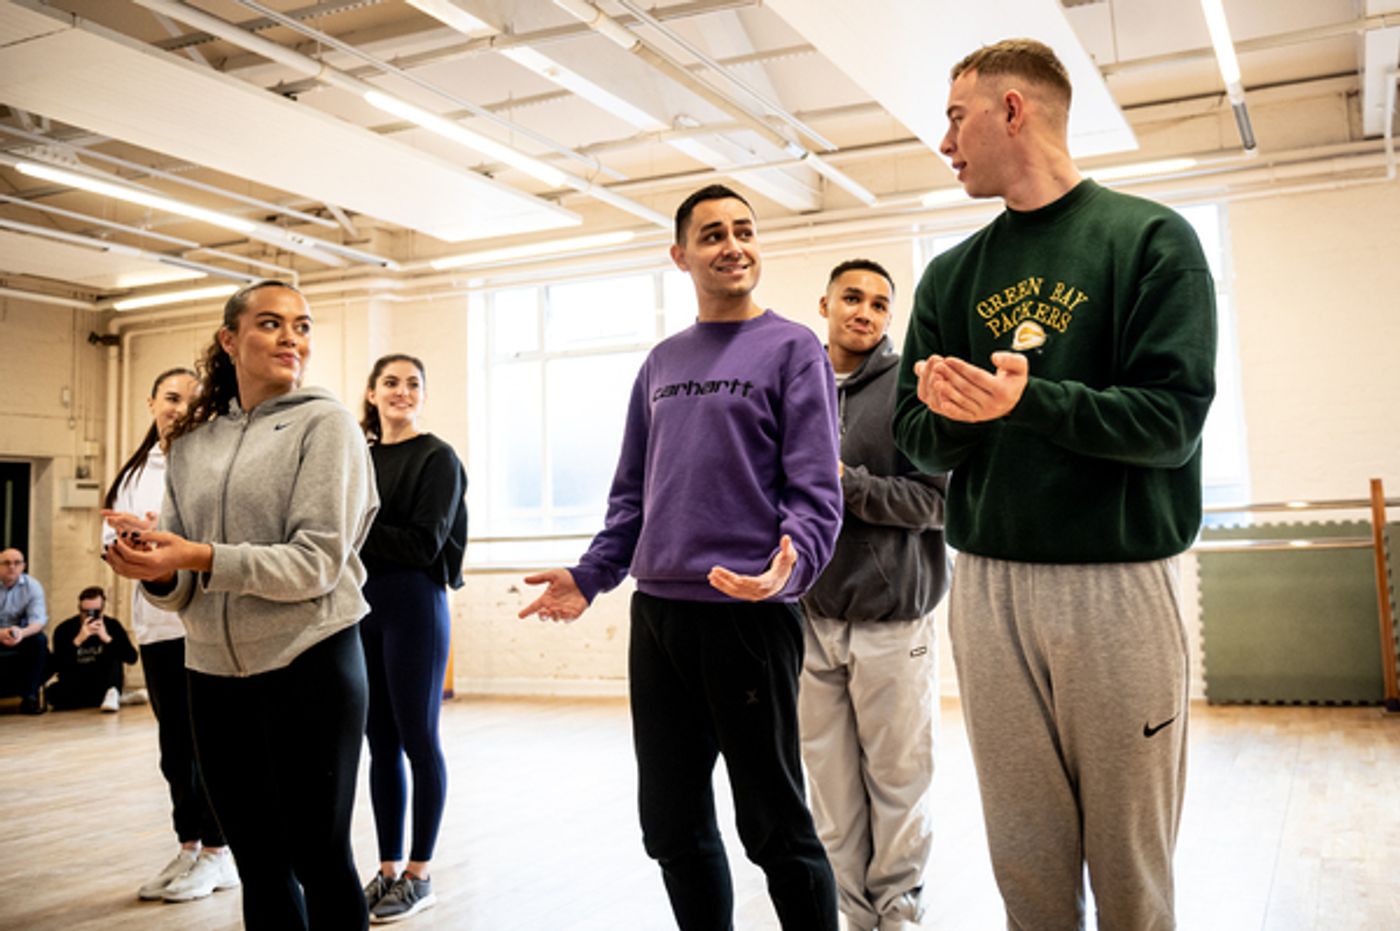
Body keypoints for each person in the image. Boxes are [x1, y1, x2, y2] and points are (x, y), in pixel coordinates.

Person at [893, 39, 1216, 929]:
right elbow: (920, 437)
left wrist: (1026, 400)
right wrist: (964, 412)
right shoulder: (952, 273)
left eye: (957, 118)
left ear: (1011, 111)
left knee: (1130, 869)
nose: (945, 141)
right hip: (988, 587)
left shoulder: (1151, 240)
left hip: (1117, 585)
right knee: (1025, 863)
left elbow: (1170, 421)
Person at [519, 183, 844, 931]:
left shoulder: (794, 347)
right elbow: (632, 493)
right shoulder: (662, 362)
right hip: (659, 614)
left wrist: (787, 571)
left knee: (773, 827)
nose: (733, 244)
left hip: (747, 614)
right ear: (681, 255)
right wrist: (592, 573)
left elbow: (817, 486)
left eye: (745, 230)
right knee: (668, 823)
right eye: (713, 234)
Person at [103, 279, 378, 931]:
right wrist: (155, 567)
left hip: (313, 662)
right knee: (259, 863)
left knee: (319, 856)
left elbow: (317, 562)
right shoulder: (191, 442)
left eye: (303, 325)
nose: (292, 337)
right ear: (229, 339)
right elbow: (186, 584)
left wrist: (196, 555)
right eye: (271, 323)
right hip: (214, 675)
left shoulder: (328, 423)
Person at [799, 259, 949, 931]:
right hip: (809, 621)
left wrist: (845, 483)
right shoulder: (795, 387)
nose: (866, 310)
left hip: (895, 621)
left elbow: (935, 503)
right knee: (830, 792)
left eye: (881, 303)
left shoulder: (913, 389)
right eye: (853, 298)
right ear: (825, 304)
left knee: (898, 782)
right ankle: (852, 915)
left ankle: (899, 912)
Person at [103, 365, 239, 903]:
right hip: (155, 626)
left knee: (211, 745)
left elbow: (216, 540)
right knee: (173, 746)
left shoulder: (208, 461)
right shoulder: (135, 470)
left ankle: (218, 851)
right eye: (171, 398)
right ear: (151, 400)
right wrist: (132, 542)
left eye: (191, 400)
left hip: (200, 623)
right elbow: (112, 546)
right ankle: (188, 846)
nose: (179, 409)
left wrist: (167, 535)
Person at [357, 353, 467, 924]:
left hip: (415, 612)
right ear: (372, 393)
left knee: (419, 741)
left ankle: (420, 873)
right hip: (362, 612)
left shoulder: (437, 458)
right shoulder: (359, 457)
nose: (402, 392)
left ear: (423, 395)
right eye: (391, 383)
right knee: (379, 745)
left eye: (413, 384)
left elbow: (423, 545)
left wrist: (353, 530)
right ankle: (388, 868)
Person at [46, 586, 137, 712]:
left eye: (96, 612)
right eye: (86, 612)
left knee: (114, 654)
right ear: (79, 609)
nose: (90, 616)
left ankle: (113, 696)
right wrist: (78, 640)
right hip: (77, 682)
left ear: (103, 609)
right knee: (53, 694)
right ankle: (119, 698)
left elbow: (132, 658)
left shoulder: (112, 625)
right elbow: (56, 665)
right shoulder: (64, 629)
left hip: (104, 681)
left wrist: (107, 638)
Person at [0, 548, 48, 714]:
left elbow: (38, 621)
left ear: (23, 566)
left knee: (39, 641)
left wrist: (21, 633)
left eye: (17, 563)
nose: (12, 567)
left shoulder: (32, 586)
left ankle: (30, 697)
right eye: (6, 563)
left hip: (19, 635)